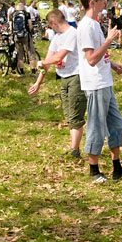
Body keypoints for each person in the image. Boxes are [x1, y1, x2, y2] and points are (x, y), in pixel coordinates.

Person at [76, 0, 122, 182]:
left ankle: (117, 168)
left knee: (116, 124)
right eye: (102, 0)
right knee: (96, 127)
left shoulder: (94, 24)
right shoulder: (86, 26)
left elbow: (99, 55)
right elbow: (91, 59)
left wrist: (112, 64)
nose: (105, 3)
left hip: (105, 82)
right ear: (92, 3)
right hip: (95, 84)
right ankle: (94, 171)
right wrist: (108, 40)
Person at [29, 9, 85, 159]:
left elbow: (58, 57)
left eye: (50, 25)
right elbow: (48, 62)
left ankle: (74, 151)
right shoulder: (57, 37)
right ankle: (74, 149)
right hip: (63, 78)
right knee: (69, 114)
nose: (50, 28)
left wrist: (43, 62)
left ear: (54, 23)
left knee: (75, 115)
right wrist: (38, 82)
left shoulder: (72, 34)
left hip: (76, 77)